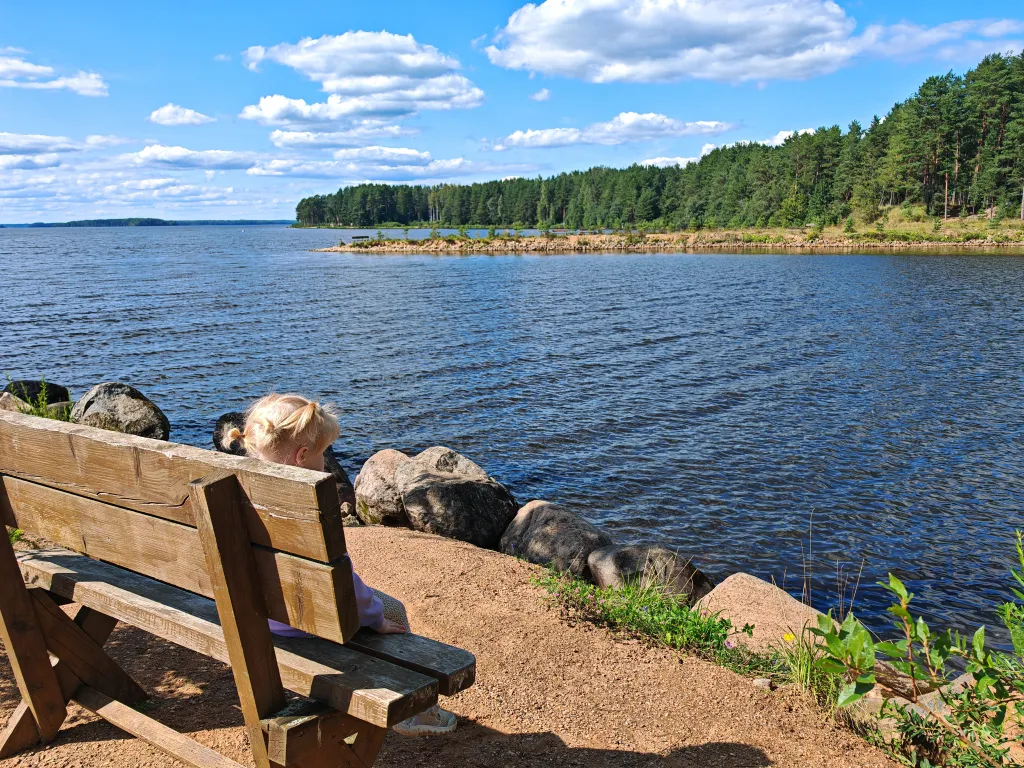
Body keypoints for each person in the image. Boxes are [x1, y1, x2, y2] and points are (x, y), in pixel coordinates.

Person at [226, 393, 457, 737]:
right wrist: (376, 617)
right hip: (302, 621)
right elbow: (344, 587)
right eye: (323, 454)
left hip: (254, 615)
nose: (325, 463)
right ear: (303, 456)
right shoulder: (307, 511)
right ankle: (416, 711)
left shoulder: (235, 495)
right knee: (393, 609)